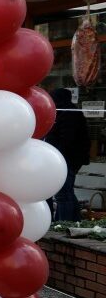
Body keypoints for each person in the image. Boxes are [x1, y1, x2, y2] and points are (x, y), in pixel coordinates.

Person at [46, 87, 90, 221]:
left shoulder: (68, 113)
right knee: (66, 192)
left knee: (63, 193)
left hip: (66, 159)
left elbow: (66, 139)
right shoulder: (68, 111)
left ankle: (63, 222)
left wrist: (56, 155)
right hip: (68, 158)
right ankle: (74, 220)